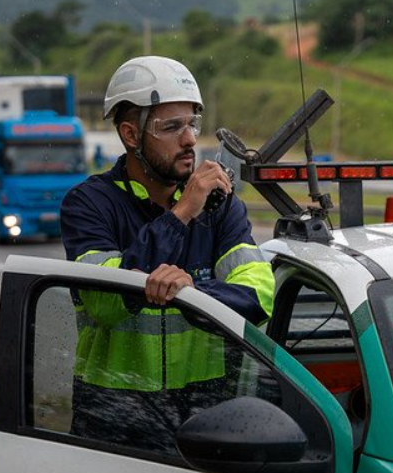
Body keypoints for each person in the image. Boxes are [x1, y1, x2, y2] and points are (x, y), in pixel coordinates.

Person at [60, 56, 275, 452]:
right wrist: (181, 214)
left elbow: (258, 296)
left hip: (207, 411)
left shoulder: (221, 204)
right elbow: (105, 301)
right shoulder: (88, 204)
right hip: (113, 416)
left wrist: (193, 291)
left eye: (192, 123)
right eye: (171, 127)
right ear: (130, 134)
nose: (190, 139)